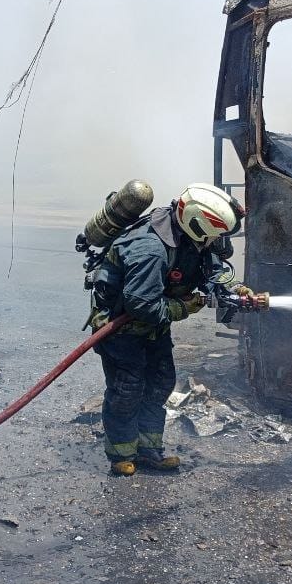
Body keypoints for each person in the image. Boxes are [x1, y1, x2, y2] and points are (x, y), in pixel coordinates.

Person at [86, 183, 252, 476]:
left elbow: (212, 268)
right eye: (214, 234)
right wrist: (183, 307)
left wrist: (234, 288)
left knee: (160, 383)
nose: (217, 241)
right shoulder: (149, 249)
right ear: (198, 224)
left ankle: (149, 450)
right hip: (120, 329)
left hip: (153, 327)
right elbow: (141, 304)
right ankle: (121, 454)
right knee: (127, 389)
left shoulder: (191, 236)